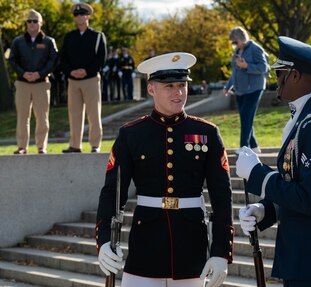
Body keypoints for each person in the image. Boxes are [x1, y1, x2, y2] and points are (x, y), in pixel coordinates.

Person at [95, 52, 234, 287]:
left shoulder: (207, 133)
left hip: (191, 246)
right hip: (145, 245)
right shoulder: (131, 134)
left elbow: (222, 196)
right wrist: (105, 240)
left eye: (182, 85)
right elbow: (112, 192)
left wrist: (221, 252)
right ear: (151, 89)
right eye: (169, 86)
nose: (178, 92)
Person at [236, 36, 311, 287]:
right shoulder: (306, 120)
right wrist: (264, 210)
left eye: (280, 73)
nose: (276, 80)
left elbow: (308, 199)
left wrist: (258, 174)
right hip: (302, 257)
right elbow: (295, 186)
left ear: (296, 76)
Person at [8, 9, 58, 154]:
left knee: (42, 117)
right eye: (29, 21)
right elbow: (12, 60)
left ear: (41, 23)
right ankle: (22, 147)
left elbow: (53, 60)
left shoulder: (49, 42)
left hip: (41, 84)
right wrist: (23, 73)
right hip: (23, 83)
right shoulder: (18, 41)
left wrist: (40, 74)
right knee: (23, 117)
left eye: (35, 21)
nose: (31, 23)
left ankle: (41, 147)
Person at [60, 2, 107, 153]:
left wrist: (87, 71)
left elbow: (101, 58)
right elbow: (63, 58)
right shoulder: (69, 37)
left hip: (91, 79)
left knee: (93, 113)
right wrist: (71, 71)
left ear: (88, 16)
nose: (79, 17)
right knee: (74, 114)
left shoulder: (97, 36)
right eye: (76, 15)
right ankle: (75, 145)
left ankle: (95, 145)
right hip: (73, 80)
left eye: (82, 14)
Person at [223, 26, 269, 154]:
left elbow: (263, 68)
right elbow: (235, 72)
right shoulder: (238, 51)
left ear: (242, 39)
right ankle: (254, 146)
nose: (234, 45)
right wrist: (228, 86)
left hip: (254, 89)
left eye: (235, 42)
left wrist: (246, 65)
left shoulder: (255, 49)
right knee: (245, 118)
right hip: (240, 90)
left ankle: (244, 147)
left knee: (246, 117)